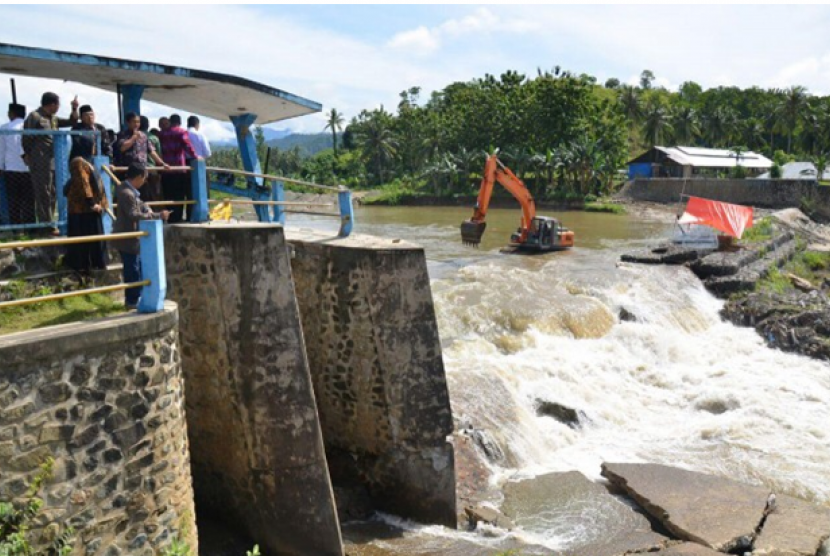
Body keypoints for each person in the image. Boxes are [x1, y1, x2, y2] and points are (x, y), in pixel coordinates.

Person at [111, 163, 169, 309]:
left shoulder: (128, 191)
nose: (144, 181)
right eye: (144, 178)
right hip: (127, 238)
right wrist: (154, 215)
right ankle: (131, 301)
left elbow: (141, 205)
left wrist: (148, 209)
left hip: (131, 238)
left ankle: (135, 298)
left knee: (136, 269)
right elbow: (133, 214)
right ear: (138, 177)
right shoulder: (127, 193)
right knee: (132, 271)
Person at [23, 92, 80, 235]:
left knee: (53, 192)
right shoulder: (35, 117)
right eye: (58, 105)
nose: (58, 108)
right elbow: (26, 138)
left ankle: (50, 222)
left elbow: (71, 122)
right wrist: (29, 155)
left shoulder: (53, 119)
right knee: (43, 192)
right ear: (52, 104)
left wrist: (74, 109)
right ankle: (46, 226)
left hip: (53, 160)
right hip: (40, 159)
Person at [64, 157, 108, 275]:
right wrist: (92, 203)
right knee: (83, 243)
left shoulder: (87, 162)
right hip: (82, 210)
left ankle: (93, 267)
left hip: (88, 210)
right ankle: (85, 269)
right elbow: (84, 183)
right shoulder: (79, 162)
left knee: (91, 242)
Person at [159, 114, 199, 223]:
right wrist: (196, 157)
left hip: (166, 169)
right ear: (180, 122)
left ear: (170, 121)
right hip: (178, 168)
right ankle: (177, 218)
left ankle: (170, 218)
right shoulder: (181, 132)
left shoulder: (162, 134)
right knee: (179, 195)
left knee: (168, 195)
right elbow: (187, 146)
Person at [0, 103, 34, 225]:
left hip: (11, 168)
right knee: (29, 200)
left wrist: (1, 166)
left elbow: (2, 150)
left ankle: (15, 226)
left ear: (11, 113)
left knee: (13, 200)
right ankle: (31, 225)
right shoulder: (28, 128)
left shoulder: (5, 128)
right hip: (28, 169)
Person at [141, 116, 164, 202]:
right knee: (155, 194)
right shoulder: (154, 138)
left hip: (138, 170)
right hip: (152, 169)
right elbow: (158, 154)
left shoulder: (133, 136)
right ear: (148, 125)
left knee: (140, 195)